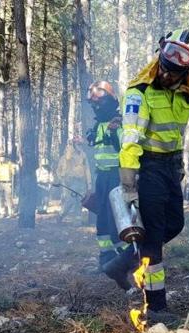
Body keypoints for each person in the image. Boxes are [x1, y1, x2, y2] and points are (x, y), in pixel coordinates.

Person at [105, 29, 189, 324]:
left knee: (175, 223)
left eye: (177, 65)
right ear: (160, 52)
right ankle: (157, 307)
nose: (167, 71)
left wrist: (180, 163)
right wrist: (128, 182)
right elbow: (131, 140)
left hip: (170, 167)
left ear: (188, 68)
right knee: (155, 236)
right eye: (167, 59)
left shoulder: (186, 95)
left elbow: (177, 134)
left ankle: (120, 264)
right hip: (147, 168)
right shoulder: (139, 93)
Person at [85, 80, 128, 275]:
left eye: (99, 101)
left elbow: (126, 148)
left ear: (109, 101)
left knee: (117, 219)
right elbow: (95, 145)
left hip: (116, 177)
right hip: (101, 177)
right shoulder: (98, 124)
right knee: (101, 217)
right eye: (93, 103)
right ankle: (106, 259)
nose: (96, 106)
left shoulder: (119, 122)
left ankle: (128, 259)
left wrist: (114, 133)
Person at [56, 138, 92, 224]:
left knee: (79, 201)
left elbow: (87, 169)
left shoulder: (83, 155)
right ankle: (61, 214)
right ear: (74, 145)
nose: (80, 146)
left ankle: (77, 220)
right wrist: (61, 179)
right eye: (78, 144)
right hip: (71, 182)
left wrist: (89, 183)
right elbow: (61, 168)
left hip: (81, 181)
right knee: (70, 201)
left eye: (81, 145)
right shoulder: (68, 155)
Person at [0, 153, 17, 218]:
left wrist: (14, 169)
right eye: (1, 157)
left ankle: (11, 212)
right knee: (0, 198)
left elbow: (13, 172)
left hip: (7, 182)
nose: (2, 158)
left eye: (3, 156)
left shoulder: (9, 163)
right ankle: (2, 212)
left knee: (9, 198)